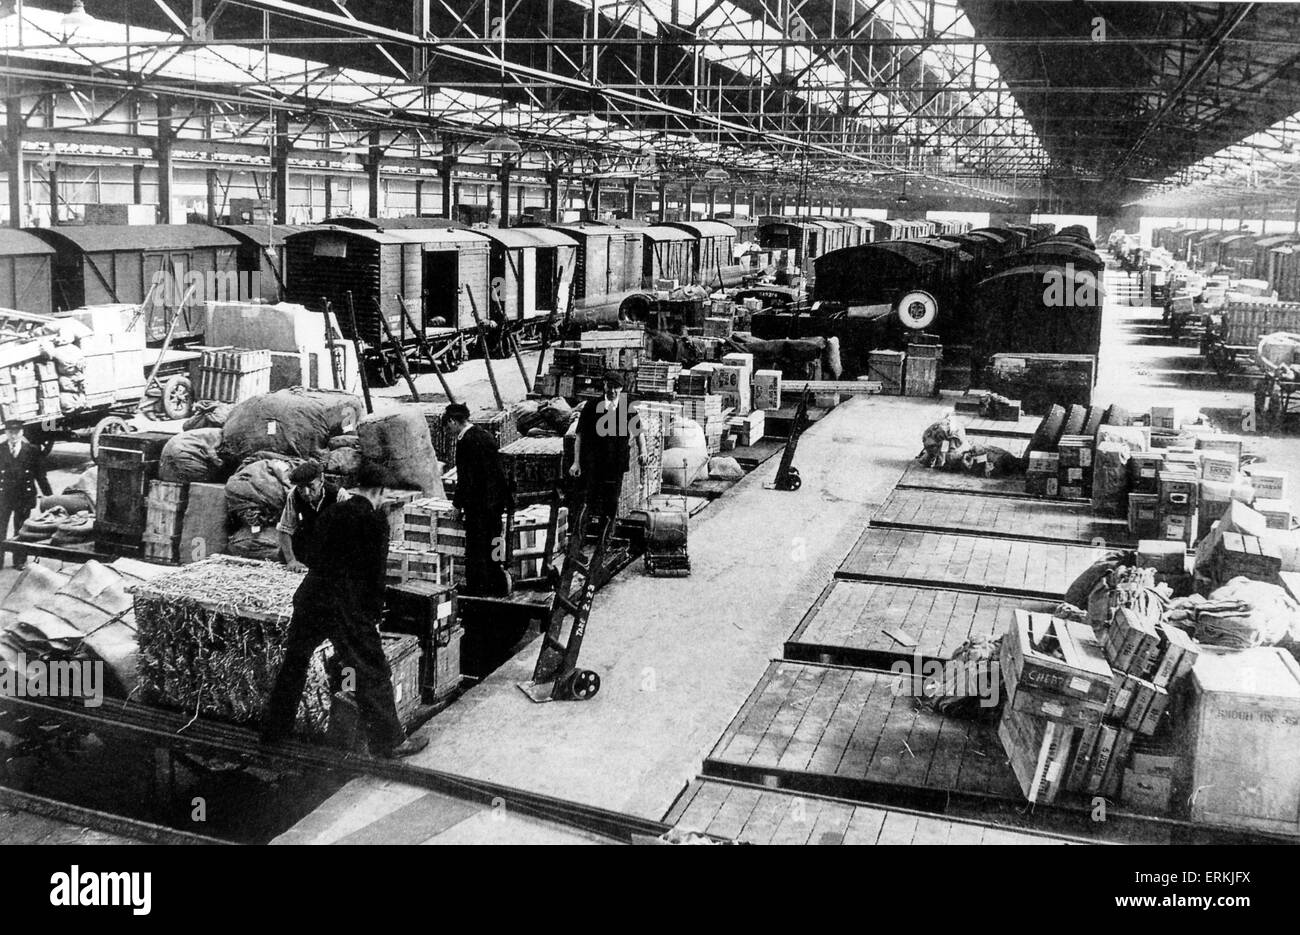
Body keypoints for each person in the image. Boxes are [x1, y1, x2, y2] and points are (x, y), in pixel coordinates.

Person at [261, 488, 428, 759]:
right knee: (372, 668)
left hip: (311, 598)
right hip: (344, 605)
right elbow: (377, 574)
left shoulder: (332, 512)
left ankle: (272, 736)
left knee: (294, 664)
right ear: (379, 492)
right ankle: (390, 743)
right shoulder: (375, 521)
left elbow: (313, 553)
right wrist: (373, 615)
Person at [444, 403, 512, 596]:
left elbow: (466, 478)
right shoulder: (486, 436)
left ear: (453, 421)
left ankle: (477, 589)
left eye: (448, 428)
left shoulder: (465, 442)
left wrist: (457, 505)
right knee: (495, 543)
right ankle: (497, 582)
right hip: (496, 503)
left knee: (475, 548)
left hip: (479, 505)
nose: (449, 433)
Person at [569, 371, 647, 537]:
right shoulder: (591, 407)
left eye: (616, 388)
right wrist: (576, 462)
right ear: (604, 385)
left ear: (621, 388)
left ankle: (606, 538)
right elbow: (579, 435)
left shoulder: (627, 407)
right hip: (593, 463)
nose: (612, 391)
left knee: (611, 501)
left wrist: (643, 451)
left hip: (616, 463)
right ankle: (582, 537)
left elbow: (639, 432)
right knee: (589, 500)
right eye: (609, 387)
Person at [277, 460, 349, 573]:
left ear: (321, 480)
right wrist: (291, 561)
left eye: (311, 486)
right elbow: (285, 530)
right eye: (301, 487)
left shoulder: (339, 495)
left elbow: (350, 534)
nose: (306, 492)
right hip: (307, 548)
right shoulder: (294, 495)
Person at [0, 419, 52, 569]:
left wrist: (50, 497)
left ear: (22, 433)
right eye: (10, 432)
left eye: (16, 432)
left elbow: (40, 476)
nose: (13, 436)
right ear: (6, 433)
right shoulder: (0, 449)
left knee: (21, 530)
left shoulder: (32, 450)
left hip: (24, 496)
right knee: (0, 529)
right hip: (4, 497)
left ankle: (20, 560)